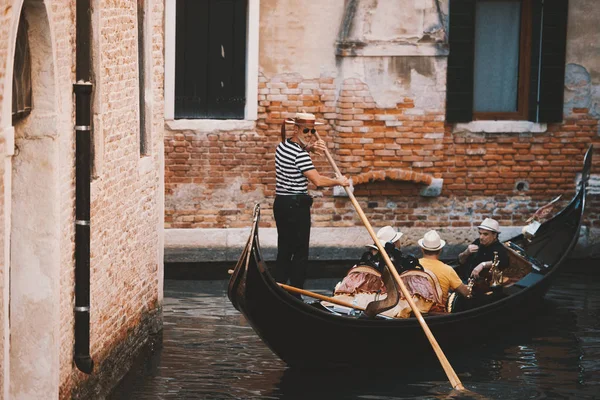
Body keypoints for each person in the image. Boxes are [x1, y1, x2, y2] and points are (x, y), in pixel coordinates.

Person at [274, 112, 350, 291]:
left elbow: (294, 155)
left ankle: (279, 287)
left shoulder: (282, 146)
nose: (309, 134)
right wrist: (339, 181)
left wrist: (310, 149)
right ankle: (296, 293)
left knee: (284, 250)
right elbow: (317, 181)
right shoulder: (300, 155)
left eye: (312, 131)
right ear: (295, 129)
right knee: (300, 252)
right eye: (306, 130)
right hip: (296, 206)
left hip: (281, 204)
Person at [417, 230, 471, 305]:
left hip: (414, 309)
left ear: (422, 249)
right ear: (440, 250)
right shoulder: (447, 270)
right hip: (438, 312)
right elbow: (466, 293)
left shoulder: (413, 265)